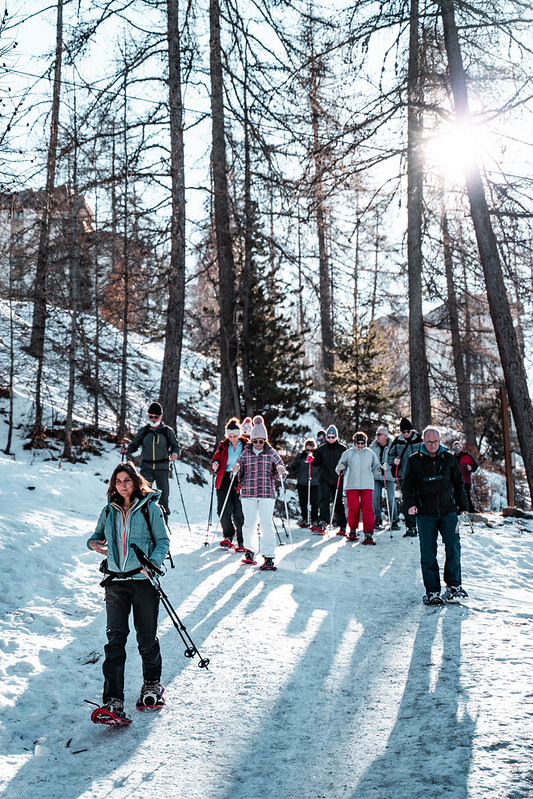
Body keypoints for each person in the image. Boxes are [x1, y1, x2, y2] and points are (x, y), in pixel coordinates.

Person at [87, 462, 170, 720]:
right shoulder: (109, 511)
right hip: (115, 582)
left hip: (143, 582)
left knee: (146, 638)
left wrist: (152, 564)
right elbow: (95, 536)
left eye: (127, 480)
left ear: (135, 481)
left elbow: (163, 541)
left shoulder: (150, 508)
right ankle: (113, 701)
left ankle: (152, 685)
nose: (123, 485)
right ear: (114, 485)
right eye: (118, 481)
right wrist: (92, 544)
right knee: (115, 642)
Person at [402, 426, 469, 605]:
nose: (433, 445)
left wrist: (464, 506)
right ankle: (432, 591)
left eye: (436, 441)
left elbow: (458, 483)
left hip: (448, 512)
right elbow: (407, 486)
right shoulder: (414, 460)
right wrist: (411, 504)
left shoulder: (448, 458)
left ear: (440, 441)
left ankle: (454, 586)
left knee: (454, 547)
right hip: (425, 514)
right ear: (423, 441)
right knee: (428, 553)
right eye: (429, 442)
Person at [231, 415, 287, 571]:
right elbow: (235, 472)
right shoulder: (245, 452)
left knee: (266, 524)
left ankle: (268, 556)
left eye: (261, 441)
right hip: (248, 493)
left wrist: (281, 471)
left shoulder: (271, 452)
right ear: (251, 440)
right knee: (248, 524)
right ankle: (250, 551)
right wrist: (235, 471)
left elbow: (281, 469)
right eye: (255, 441)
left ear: (265, 440)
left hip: (266, 493)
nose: (257, 444)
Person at [122, 401, 180, 517]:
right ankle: (143, 521)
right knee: (143, 494)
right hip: (146, 467)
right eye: (151, 416)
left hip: (162, 468)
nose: (153, 419)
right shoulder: (144, 431)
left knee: (163, 496)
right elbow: (134, 445)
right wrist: (127, 449)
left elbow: (175, 446)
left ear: (161, 417)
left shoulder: (167, 431)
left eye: (156, 417)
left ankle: (163, 523)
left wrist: (175, 453)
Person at [336, 431, 381, 543]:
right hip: (352, 484)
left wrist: (380, 468)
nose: (360, 445)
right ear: (354, 442)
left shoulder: (370, 453)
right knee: (354, 507)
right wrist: (340, 468)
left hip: (367, 484)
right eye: (358, 443)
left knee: (367, 507)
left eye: (362, 443)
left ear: (365, 443)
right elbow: (339, 467)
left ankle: (368, 532)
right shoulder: (348, 453)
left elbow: (376, 466)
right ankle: (352, 529)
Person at [211, 417, 247, 550]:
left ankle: (242, 539)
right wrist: (214, 465)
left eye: (235, 436)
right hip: (224, 478)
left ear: (239, 434)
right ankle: (228, 535)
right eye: (230, 436)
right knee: (223, 509)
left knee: (238, 510)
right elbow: (215, 459)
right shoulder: (223, 446)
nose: (232, 439)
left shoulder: (245, 446)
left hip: (239, 479)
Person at [388, 417, 423, 537]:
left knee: (421, 500)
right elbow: (389, 457)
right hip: (404, 476)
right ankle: (410, 527)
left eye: (408, 431)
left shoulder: (419, 439)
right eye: (404, 432)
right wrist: (394, 460)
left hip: (419, 476)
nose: (406, 434)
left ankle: (422, 525)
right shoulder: (397, 441)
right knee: (408, 501)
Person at [312, 424, 347, 533]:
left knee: (338, 502)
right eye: (329, 437)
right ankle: (323, 522)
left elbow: (347, 462)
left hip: (337, 479)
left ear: (336, 437)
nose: (331, 439)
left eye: (333, 437)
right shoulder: (322, 449)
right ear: (326, 437)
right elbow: (316, 463)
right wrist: (311, 460)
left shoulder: (342, 448)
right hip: (325, 479)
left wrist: (343, 467)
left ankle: (342, 525)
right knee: (324, 500)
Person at [369, 426, 399, 530]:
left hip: (389, 476)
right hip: (377, 477)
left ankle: (394, 520)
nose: (376, 436)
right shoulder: (372, 447)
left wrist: (389, 465)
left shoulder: (392, 446)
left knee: (391, 498)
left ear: (385, 436)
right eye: (376, 434)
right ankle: (377, 519)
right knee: (375, 497)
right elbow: (370, 460)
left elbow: (396, 458)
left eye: (379, 434)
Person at [288, 438, 320, 527]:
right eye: (307, 450)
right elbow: (294, 466)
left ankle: (314, 519)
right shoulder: (301, 456)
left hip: (314, 483)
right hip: (302, 483)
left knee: (314, 502)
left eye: (311, 450)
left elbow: (321, 468)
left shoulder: (317, 457)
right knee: (303, 502)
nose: (309, 452)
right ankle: (305, 519)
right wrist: (290, 470)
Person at [452, 441, 479, 512]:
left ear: (461, 448)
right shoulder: (452, 458)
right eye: (454, 448)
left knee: (466, 495)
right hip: (455, 481)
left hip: (466, 480)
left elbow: (475, 466)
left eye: (458, 447)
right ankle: (460, 510)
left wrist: (471, 469)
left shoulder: (466, 456)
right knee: (456, 496)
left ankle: (470, 510)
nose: (456, 449)